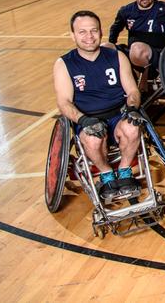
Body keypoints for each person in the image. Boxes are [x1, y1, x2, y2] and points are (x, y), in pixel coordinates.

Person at [53, 11, 144, 200]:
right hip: (88, 118)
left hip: (118, 114)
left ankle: (125, 171)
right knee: (93, 138)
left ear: (101, 32)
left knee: (133, 127)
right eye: (82, 32)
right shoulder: (64, 64)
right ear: (73, 35)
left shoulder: (117, 56)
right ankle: (106, 174)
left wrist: (133, 109)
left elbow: (133, 91)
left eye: (93, 31)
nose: (89, 37)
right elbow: (64, 102)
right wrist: (84, 120)